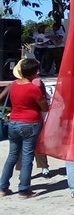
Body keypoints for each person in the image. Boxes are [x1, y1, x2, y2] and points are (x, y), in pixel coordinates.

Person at [0, 59, 49, 198]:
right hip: (30, 122)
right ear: (33, 72)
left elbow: (1, 98)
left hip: (14, 121)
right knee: (27, 156)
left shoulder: (13, 85)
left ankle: (3, 187)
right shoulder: (34, 88)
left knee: (12, 156)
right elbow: (44, 107)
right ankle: (24, 189)